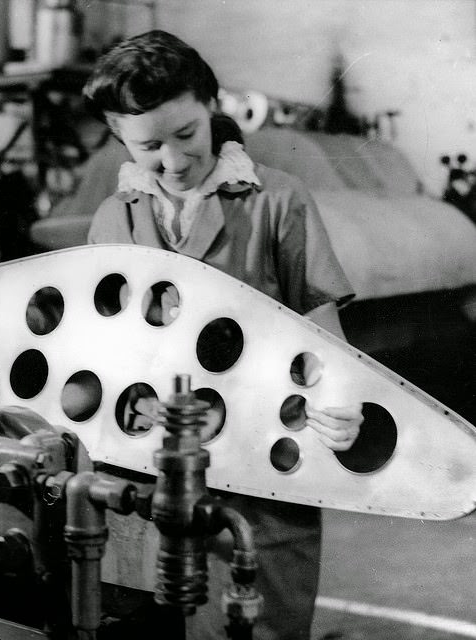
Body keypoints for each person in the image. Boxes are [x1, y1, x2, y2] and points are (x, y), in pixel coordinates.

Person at [82, 30, 364, 640]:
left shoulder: (276, 201)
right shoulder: (113, 219)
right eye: (149, 145)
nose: (175, 161)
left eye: (187, 134)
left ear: (213, 108)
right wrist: (132, 400)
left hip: (258, 477)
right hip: (145, 474)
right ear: (118, 137)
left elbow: (320, 322)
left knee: (249, 627)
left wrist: (340, 399)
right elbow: (100, 351)